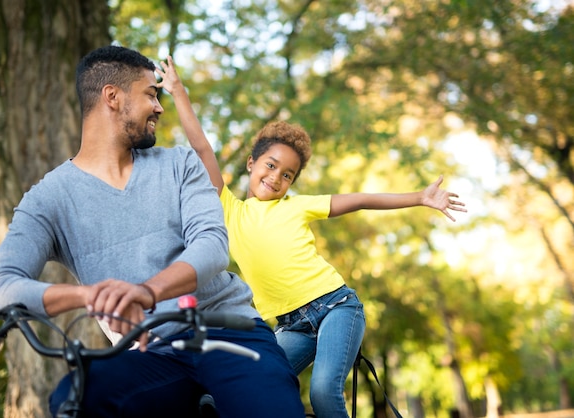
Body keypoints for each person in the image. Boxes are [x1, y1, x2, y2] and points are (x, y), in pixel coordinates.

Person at [0, 45, 307, 418]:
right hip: (151, 353)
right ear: (112, 97)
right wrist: (93, 296)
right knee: (76, 399)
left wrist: (145, 291)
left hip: (228, 332)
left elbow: (213, 245)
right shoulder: (47, 199)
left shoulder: (180, 163)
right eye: (151, 93)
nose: (159, 106)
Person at [156, 56, 467, 418]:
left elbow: (361, 200)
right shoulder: (229, 208)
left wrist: (419, 197)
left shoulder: (297, 206)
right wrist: (178, 92)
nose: (275, 177)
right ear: (251, 164)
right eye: (270, 166)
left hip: (336, 306)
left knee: (322, 392)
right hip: (291, 325)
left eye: (287, 175)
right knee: (259, 382)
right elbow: (202, 149)